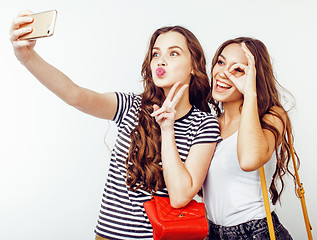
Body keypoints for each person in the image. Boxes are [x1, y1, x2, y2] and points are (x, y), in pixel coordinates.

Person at [10, 10, 221, 240]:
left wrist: (167, 129)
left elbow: (180, 196)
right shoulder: (130, 105)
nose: (161, 60)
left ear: (194, 66)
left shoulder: (204, 124)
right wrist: (27, 58)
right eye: (156, 54)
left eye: (173, 53)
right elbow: (76, 96)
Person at [202, 37, 294, 239]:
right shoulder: (209, 124)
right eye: (221, 62)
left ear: (254, 77)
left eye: (238, 70)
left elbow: (249, 160)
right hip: (212, 232)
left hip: (255, 232)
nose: (224, 73)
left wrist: (250, 93)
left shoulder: (271, 117)